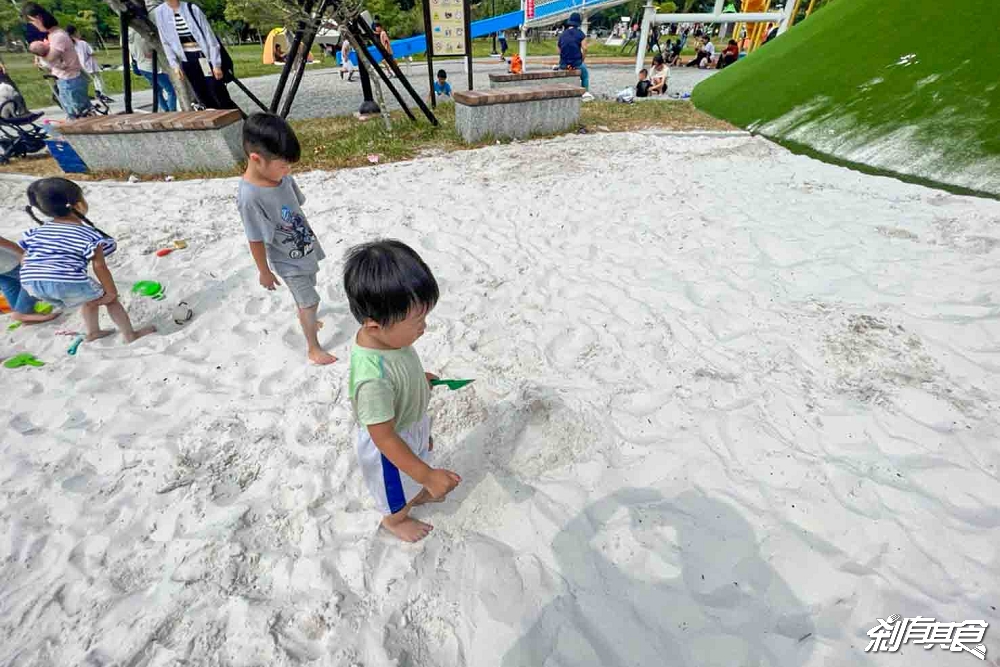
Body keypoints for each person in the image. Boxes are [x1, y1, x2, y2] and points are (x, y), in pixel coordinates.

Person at [344, 239, 461, 542]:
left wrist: (418, 379)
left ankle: (417, 492)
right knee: (396, 493)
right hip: (392, 444)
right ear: (374, 326)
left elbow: (399, 366)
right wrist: (428, 475)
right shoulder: (372, 380)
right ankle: (395, 520)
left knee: (417, 467)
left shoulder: (391, 340)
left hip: (410, 424)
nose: (423, 327)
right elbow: (383, 438)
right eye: (417, 321)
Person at [237, 113, 335, 366]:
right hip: (286, 260)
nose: (288, 171)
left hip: (305, 247)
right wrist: (264, 271)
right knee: (310, 300)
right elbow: (255, 239)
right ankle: (313, 348)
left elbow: (296, 207)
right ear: (256, 159)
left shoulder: (283, 179)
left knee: (309, 288)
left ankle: (308, 317)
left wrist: (283, 174)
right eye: (283, 166)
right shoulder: (249, 198)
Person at [18, 178, 155, 343]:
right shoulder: (88, 234)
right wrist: (110, 292)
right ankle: (130, 335)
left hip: (30, 284)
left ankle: (93, 332)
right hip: (65, 281)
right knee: (109, 300)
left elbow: (25, 258)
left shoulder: (36, 231)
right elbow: (99, 266)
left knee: (89, 298)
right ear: (78, 205)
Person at [153, 0, 236, 110]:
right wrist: (175, 65)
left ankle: (231, 115)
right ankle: (214, 118)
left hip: (205, 57)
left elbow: (210, 37)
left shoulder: (192, 9)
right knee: (201, 93)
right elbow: (165, 42)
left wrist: (216, 64)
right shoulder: (159, 12)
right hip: (187, 59)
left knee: (217, 89)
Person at [23, 4, 89, 119]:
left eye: (32, 22)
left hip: (70, 80)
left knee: (80, 115)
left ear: (38, 18)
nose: (33, 26)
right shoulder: (52, 36)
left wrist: (40, 57)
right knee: (74, 114)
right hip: (65, 79)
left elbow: (50, 58)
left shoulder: (57, 36)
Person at [0, 235, 59, 325]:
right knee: (37, 276)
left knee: (11, 285)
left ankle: (24, 312)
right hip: (8, 261)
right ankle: (21, 313)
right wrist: (22, 252)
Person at [127, 26, 177, 112]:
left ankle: (165, 110)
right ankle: (171, 111)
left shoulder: (127, 34)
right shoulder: (141, 34)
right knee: (171, 90)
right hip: (152, 67)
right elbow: (153, 47)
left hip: (141, 67)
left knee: (157, 91)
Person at [65, 25, 106, 101]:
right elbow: (91, 53)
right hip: (89, 64)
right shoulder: (83, 43)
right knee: (97, 79)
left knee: (84, 81)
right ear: (75, 32)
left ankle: (84, 95)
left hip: (80, 66)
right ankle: (100, 93)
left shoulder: (69, 45)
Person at [558, 13, 593, 100]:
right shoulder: (581, 34)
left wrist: (564, 58)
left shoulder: (562, 34)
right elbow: (585, 48)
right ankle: (585, 93)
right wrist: (582, 59)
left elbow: (559, 49)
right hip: (576, 63)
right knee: (585, 75)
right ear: (578, 23)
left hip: (563, 64)